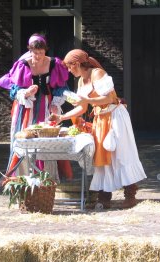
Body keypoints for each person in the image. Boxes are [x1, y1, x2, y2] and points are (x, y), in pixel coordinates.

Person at [51, 49, 147, 209]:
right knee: (101, 154)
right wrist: (62, 117)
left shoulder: (97, 73)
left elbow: (109, 98)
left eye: (69, 67)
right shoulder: (81, 81)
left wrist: (87, 99)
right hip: (100, 118)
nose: (68, 70)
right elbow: (82, 108)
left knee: (121, 153)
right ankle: (104, 197)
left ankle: (130, 194)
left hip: (115, 116)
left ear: (76, 64)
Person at [0, 33, 73, 180]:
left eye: (41, 52)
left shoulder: (55, 64)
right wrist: (25, 92)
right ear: (29, 50)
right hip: (26, 107)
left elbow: (61, 86)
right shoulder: (23, 65)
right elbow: (14, 89)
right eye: (34, 52)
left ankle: (46, 178)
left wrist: (56, 104)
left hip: (46, 104)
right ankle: (22, 177)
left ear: (46, 50)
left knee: (46, 137)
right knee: (25, 137)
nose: (37, 56)